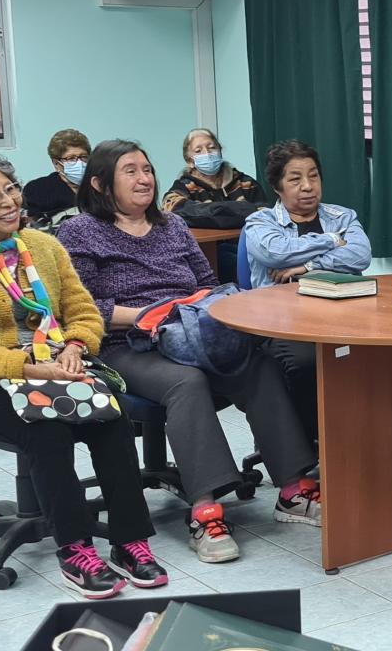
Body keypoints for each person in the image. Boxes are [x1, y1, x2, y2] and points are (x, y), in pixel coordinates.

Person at [0, 154, 165, 598]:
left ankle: (130, 541)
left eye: (11, 188)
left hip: (49, 368)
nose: (9, 201)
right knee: (47, 426)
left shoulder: (43, 247)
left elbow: (85, 313)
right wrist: (28, 367)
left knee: (111, 414)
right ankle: (75, 549)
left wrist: (73, 348)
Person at [59, 139, 320, 563]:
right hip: (126, 344)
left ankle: (292, 490)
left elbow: (205, 283)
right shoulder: (80, 231)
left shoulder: (172, 226)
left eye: (147, 169)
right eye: (130, 171)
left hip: (189, 330)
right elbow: (81, 308)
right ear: (100, 184)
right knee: (188, 383)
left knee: (258, 365)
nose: (145, 178)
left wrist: (202, 308)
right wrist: (147, 314)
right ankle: (206, 510)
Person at [243, 139, 372, 440]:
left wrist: (307, 267)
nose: (307, 186)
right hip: (282, 322)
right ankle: (314, 443)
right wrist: (331, 241)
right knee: (306, 361)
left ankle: (357, 438)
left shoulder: (342, 217)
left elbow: (360, 255)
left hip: (341, 314)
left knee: (375, 356)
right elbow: (275, 253)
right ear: (277, 185)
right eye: (295, 178)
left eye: (313, 176)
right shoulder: (260, 221)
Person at [160, 127, 267, 217]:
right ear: (189, 161)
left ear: (220, 152)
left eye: (212, 148)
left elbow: (264, 214)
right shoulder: (185, 186)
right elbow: (170, 208)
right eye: (198, 151)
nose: (207, 153)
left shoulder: (245, 183)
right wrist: (237, 208)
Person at [23, 128, 90, 228]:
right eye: (71, 158)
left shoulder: (98, 187)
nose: (79, 163)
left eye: (83, 157)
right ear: (56, 164)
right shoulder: (37, 189)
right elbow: (32, 226)